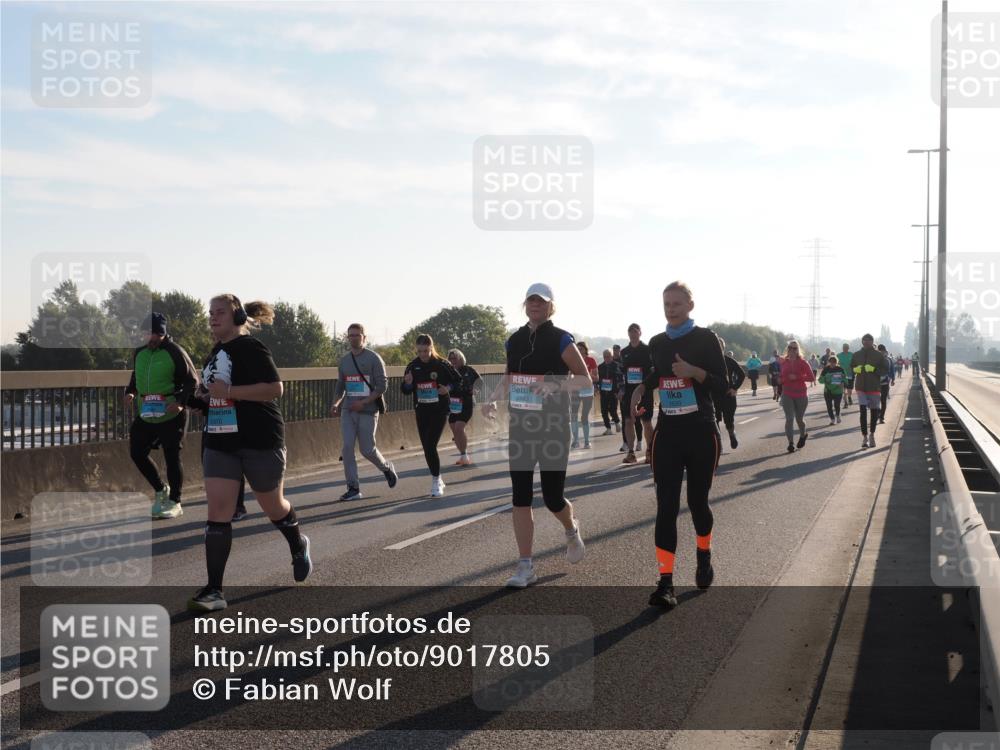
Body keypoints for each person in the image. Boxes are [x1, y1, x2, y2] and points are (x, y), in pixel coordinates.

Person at [188, 295, 311, 612]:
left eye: (220, 313)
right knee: (218, 511)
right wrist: (200, 399)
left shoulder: (251, 348)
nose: (213, 318)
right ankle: (214, 590)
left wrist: (228, 392)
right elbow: (216, 394)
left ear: (237, 316)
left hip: (259, 438)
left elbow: (274, 388)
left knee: (273, 507)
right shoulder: (216, 352)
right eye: (210, 313)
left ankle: (298, 544)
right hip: (220, 439)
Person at [482, 283, 587, 588]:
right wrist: (493, 398)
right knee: (520, 495)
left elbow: (583, 379)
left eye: (541, 301)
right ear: (524, 304)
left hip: (554, 426)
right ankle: (525, 565)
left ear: (551, 306)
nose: (535, 305)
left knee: (553, 498)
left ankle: (570, 529)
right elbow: (510, 376)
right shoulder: (514, 340)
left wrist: (554, 386)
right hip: (522, 427)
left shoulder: (560, 339)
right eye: (531, 300)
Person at [630, 281, 727, 609]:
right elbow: (658, 374)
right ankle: (665, 583)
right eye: (666, 303)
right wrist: (643, 389)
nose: (670, 308)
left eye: (676, 303)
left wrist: (694, 372)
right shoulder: (656, 343)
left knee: (697, 502)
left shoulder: (706, 339)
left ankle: (704, 554)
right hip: (668, 434)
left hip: (701, 432)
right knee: (666, 507)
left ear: (690, 305)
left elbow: (724, 385)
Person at [125, 313, 198, 520]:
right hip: (146, 412)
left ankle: (175, 501)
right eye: (145, 334)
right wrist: (129, 392)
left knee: (172, 456)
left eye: (153, 334)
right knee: (137, 452)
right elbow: (135, 376)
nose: (149, 338)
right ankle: (160, 489)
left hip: (170, 412)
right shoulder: (140, 352)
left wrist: (181, 403)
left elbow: (192, 381)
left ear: (162, 333)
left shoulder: (175, 352)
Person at [330, 324, 399, 501]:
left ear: (364, 337)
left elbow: (382, 386)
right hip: (348, 410)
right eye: (350, 335)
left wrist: (364, 402)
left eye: (357, 335)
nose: (353, 338)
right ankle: (353, 487)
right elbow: (341, 385)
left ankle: (386, 468)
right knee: (347, 448)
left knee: (367, 449)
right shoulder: (344, 361)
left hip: (368, 410)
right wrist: (336, 403)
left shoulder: (374, 359)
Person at [402, 334, 460, 497]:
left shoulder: (442, 364)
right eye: (420, 351)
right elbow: (405, 390)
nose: (423, 355)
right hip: (422, 410)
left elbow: (458, 380)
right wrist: (407, 383)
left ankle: (435, 481)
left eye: (426, 351)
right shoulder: (412, 366)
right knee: (426, 448)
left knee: (430, 445)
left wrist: (447, 388)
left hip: (440, 410)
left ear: (431, 348)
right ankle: (438, 476)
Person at [620, 323, 655, 464]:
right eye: (630, 331)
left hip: (644, 391)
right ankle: (631, 453)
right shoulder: (624, 352)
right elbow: (622, 372)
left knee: (646, 422)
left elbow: (653, 370)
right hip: (629, 391)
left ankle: (649, 452)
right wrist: (621, 389)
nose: (633, 334)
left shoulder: (647, 349)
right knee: (628, 421)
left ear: (640, 333)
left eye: (635, 331)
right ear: (628, 334)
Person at [851, 334, 890, 449]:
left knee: (874, 412)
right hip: (860, 387)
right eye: (864, 340)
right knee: (862, 412)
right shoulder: (857, 354)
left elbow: (884, 370)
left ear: (872, 341)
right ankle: (864, 437)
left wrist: (874, 369)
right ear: (862, 341)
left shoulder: (878, 355)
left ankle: (872, 434)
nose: (866, 342)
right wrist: (855, 369)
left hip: (874, 387)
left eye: (869, 340)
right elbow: (851, 367)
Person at [446, 349, 481, 466]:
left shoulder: (468, 370)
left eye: (455, 358)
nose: (452, 361)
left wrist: (475, 389)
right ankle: (463, 454)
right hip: (453, 404)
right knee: (455, 431)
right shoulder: (448, 372)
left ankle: (465, 457)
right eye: (450, 359)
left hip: (466, 402)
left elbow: (479, 382)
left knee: (459, 428)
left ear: (461, 359)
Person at [779, 340, 815, 453]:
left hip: (801, 394)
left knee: (799, 419)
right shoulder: (783, 362)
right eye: (790, 348)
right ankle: (791, 443)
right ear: (787, 349)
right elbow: (779, 377)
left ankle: (803, 434)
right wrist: (780, 380)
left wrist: (798, 377)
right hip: (787, 394)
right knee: (789, 418)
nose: (792, 350)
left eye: (795, 348)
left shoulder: (803, 363)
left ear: (798, 350)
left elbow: (812, 378)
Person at [712, 343, 745, 450]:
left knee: (728, 421)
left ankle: (732, 435)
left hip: (728, 395)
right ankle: (718, 443)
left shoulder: (729, 361)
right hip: (714, 396)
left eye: (718, 345)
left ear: (723, 347)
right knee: (715, 420)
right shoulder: (708, 361)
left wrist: (734, 388)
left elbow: (741, 374)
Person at [570, 341, 598, 449]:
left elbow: (596, 378)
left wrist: (588, 375)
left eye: (580, 349)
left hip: (587, 391)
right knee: (573, 414)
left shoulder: (591, 360)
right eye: (577, 349)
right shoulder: (573, 360)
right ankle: (575, 441)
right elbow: (569, 375)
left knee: (584, 416)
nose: (579, 351)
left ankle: (586, 441)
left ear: (585, 350)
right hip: (576, 390)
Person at [597, 349, 623, 436]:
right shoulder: (600, 367)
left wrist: (619, 390)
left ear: (612, 357)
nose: (606, 358)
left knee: (613, 410)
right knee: (604, 411)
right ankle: (608, 428)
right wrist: (597, 387)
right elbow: (598, 379)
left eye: (608, 356)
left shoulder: (616, 366)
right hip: (604, 392)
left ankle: (617, 422)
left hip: (613, 392)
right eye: (604, 357)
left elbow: (620, 378)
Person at [819, 354, 846, 425]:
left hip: (838, 391)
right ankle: (832, 419)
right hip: (828, 391)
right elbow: (820, 380)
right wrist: (825, 379)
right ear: (829, 362)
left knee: (837, 405)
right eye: (831, 361)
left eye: (834, 361)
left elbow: (845, 379)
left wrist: (842, 382)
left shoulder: (840, 369)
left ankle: (838, 416)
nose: (832, 363)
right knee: (829, 406)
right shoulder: (826, 369)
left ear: (836, 362)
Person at [877, 344, 892, 423]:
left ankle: (881, 417)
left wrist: (893, 379)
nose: (881, 353)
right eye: (879, 352)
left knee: (883, 401)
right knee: (875, 401)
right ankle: (878, 413)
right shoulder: (874, 360)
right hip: (875, 383)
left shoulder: (887, 360)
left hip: (884, 383)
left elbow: (887, 369)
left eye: (882, 352)